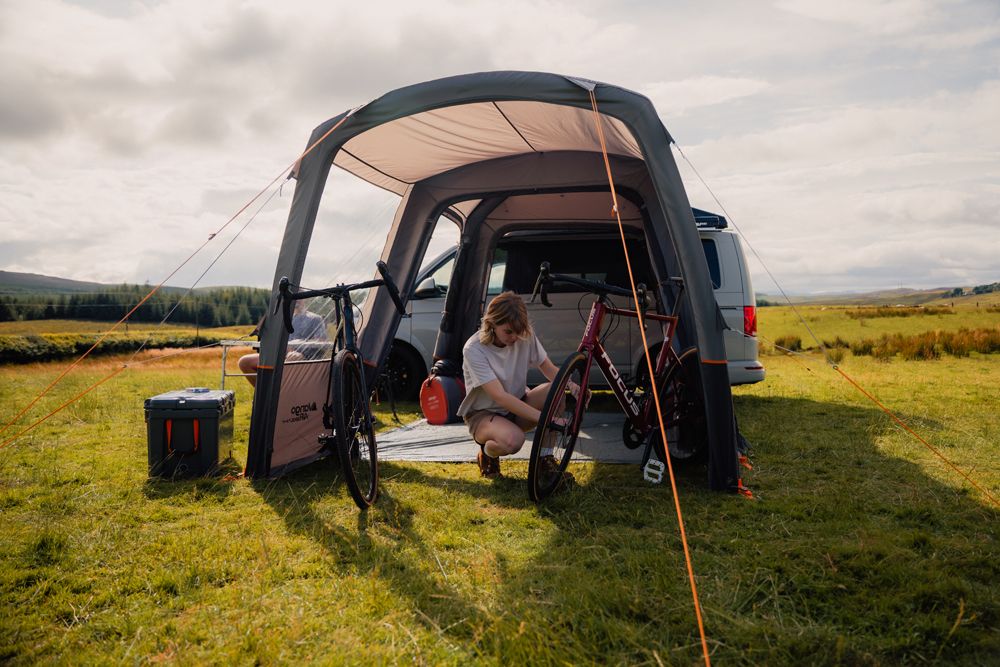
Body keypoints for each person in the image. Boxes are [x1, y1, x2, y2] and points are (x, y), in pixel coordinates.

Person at [457, 291, 581, 482]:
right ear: (492, 324)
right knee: (513, 441)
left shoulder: (525, 335)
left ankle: (545, 462)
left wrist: (573, 386)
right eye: (508, 331)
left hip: (518, 404)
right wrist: (547, 419)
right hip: (483, 415)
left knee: (555, 391)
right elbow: (500, 396)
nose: (515, 337)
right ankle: (488, 453)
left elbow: (547, 367)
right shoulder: (474, 349)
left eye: (519, 330)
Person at [238, 300, 331, 387]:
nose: (296, 300)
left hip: (303, 357)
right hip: (280, 355)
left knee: (291, 360)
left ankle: (282, 393)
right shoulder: (283, 319)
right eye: (294, 297)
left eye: (299, 296)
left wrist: (300, 351)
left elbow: (322, 343)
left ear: (305, 299)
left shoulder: (315, 319)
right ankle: (265, 392)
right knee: (244, 362)